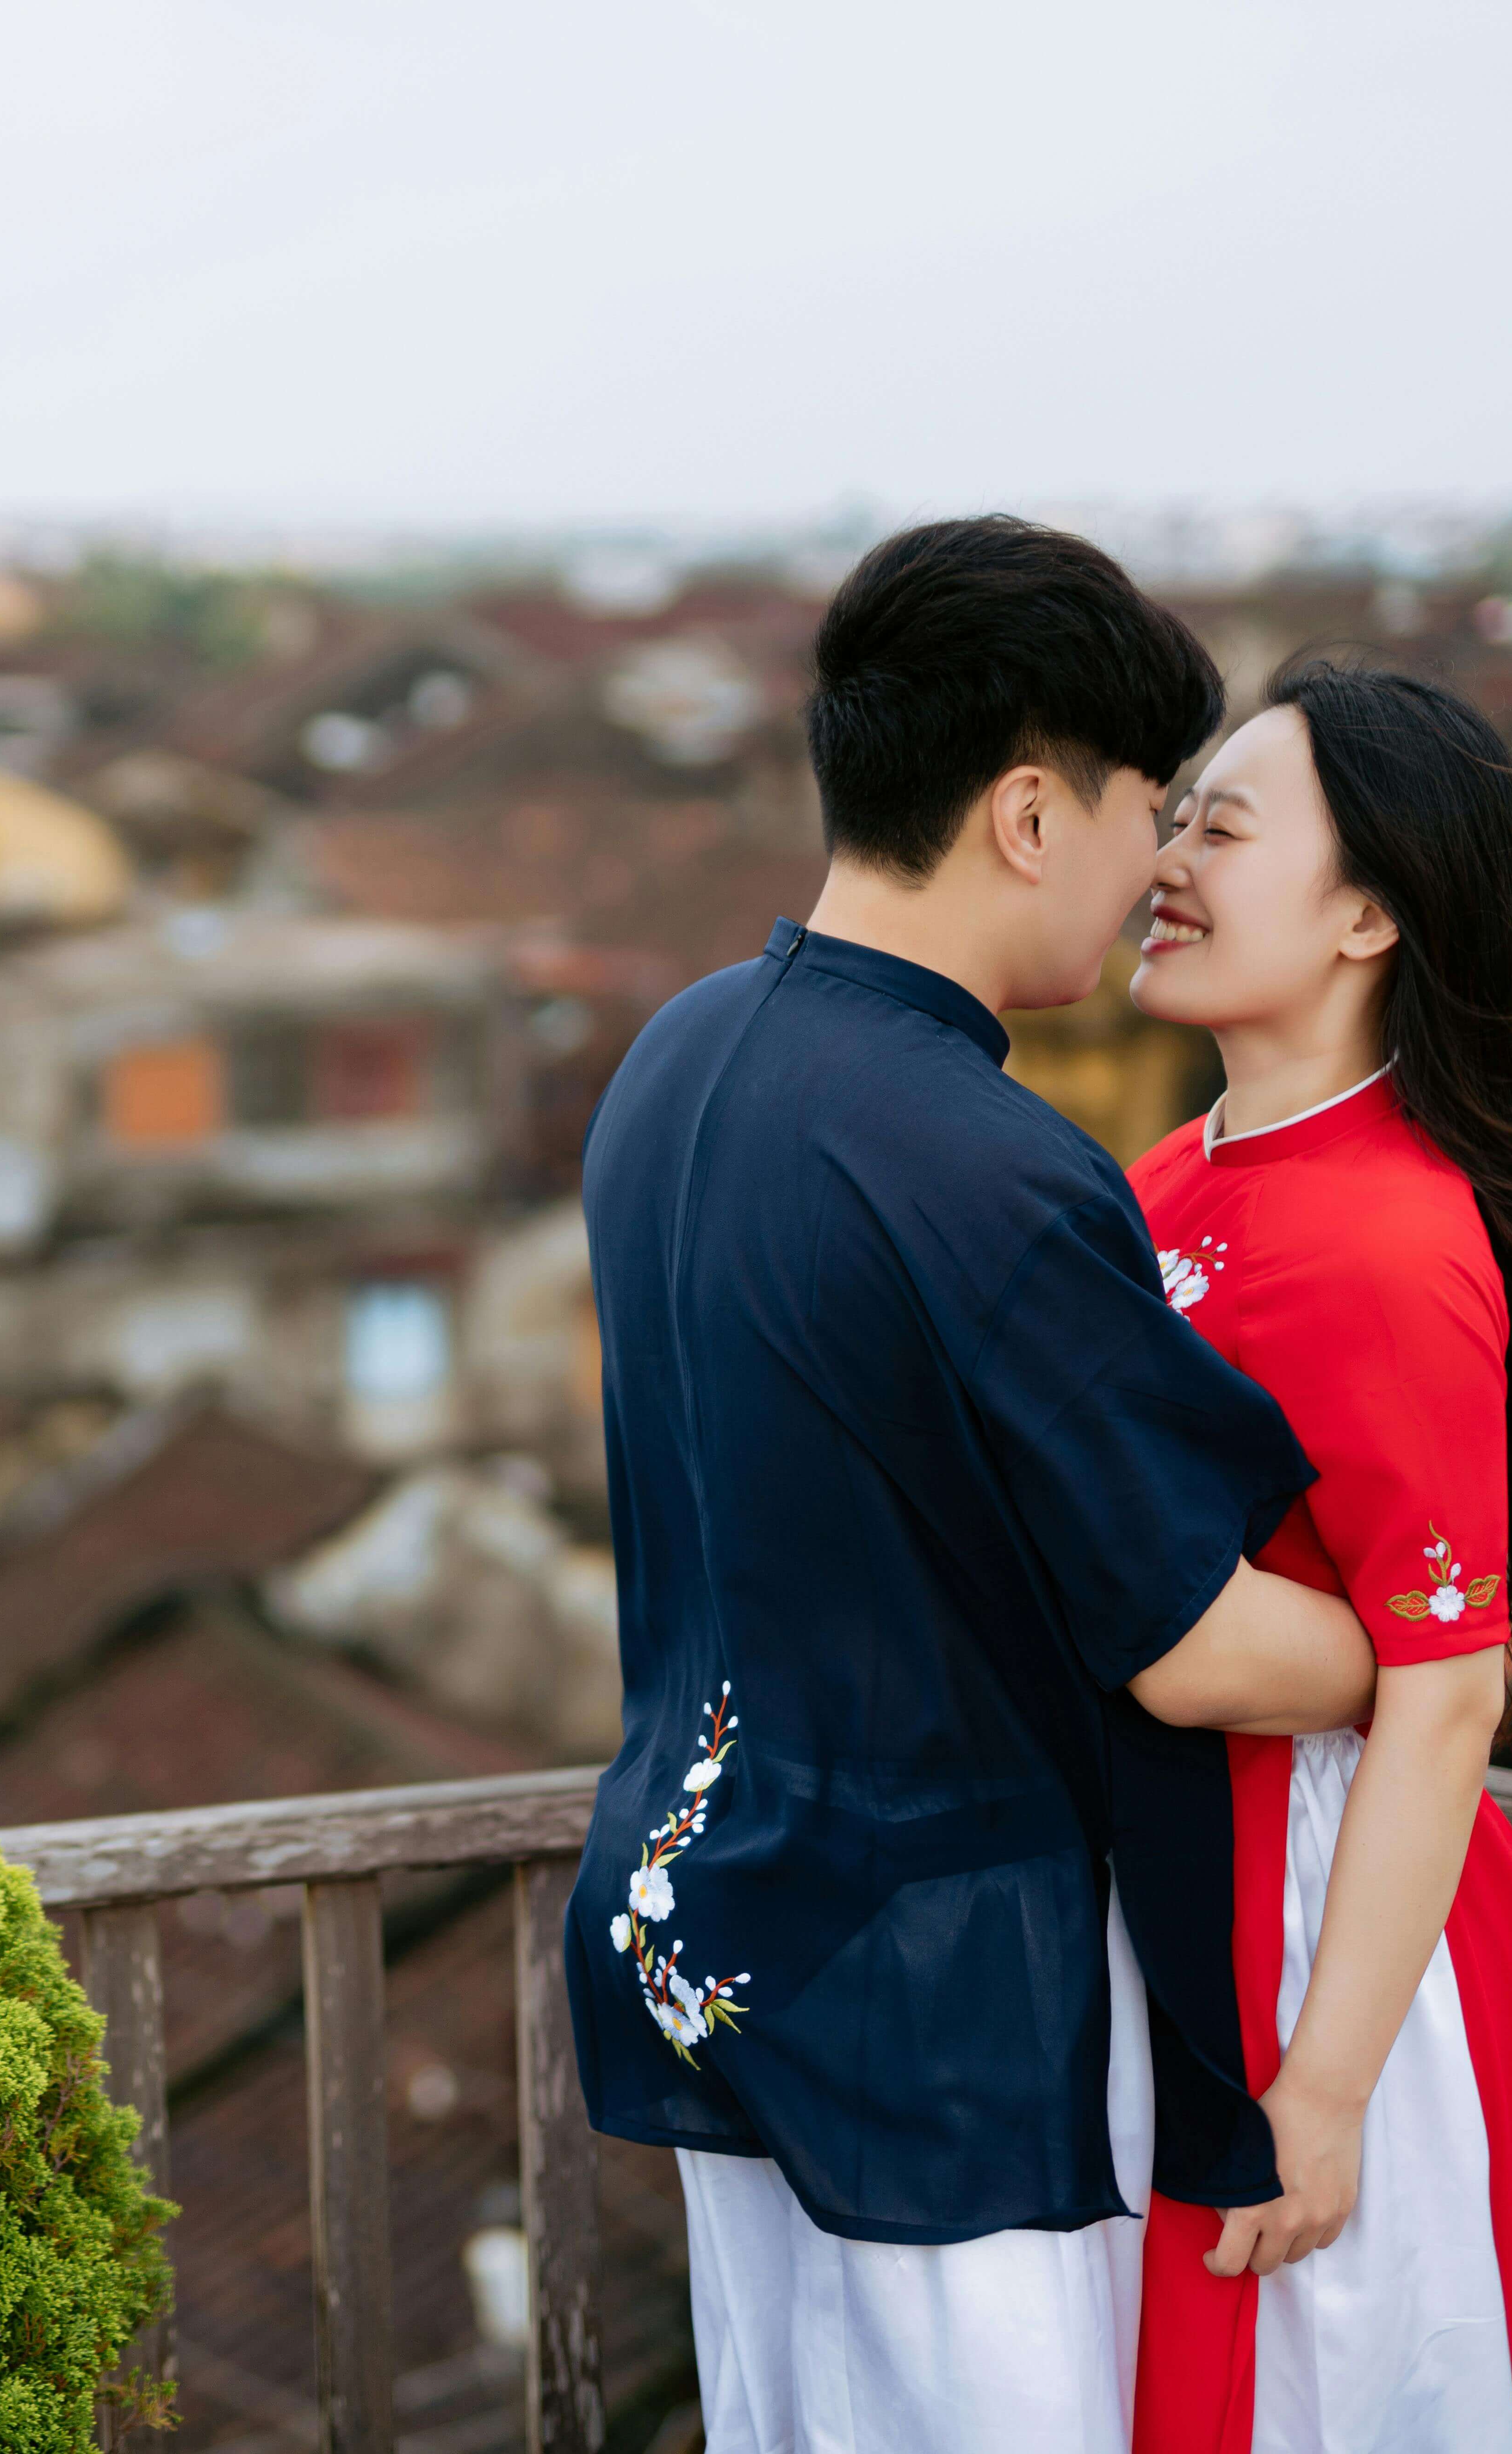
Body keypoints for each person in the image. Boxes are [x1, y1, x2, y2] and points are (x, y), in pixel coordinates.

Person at [567, 517, 1385, 2454]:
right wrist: (1440, 1644)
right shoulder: (977, 1162)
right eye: (1141, 817)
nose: (1153, 874)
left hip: (702, 1921)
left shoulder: (675, 1062)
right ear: (1029, 812)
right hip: (938, 2000)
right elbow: (1194, 1643)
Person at [1123, 661, 1512, 2453]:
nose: (1166, 857)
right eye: (1170, 818)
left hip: (1325, 1925)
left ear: (1367, 912)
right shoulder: (1164, 1184)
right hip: (1176, 1879)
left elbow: (1440, 1695)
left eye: (1218, 827)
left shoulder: (1393, 1240)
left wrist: (1322, 2092)